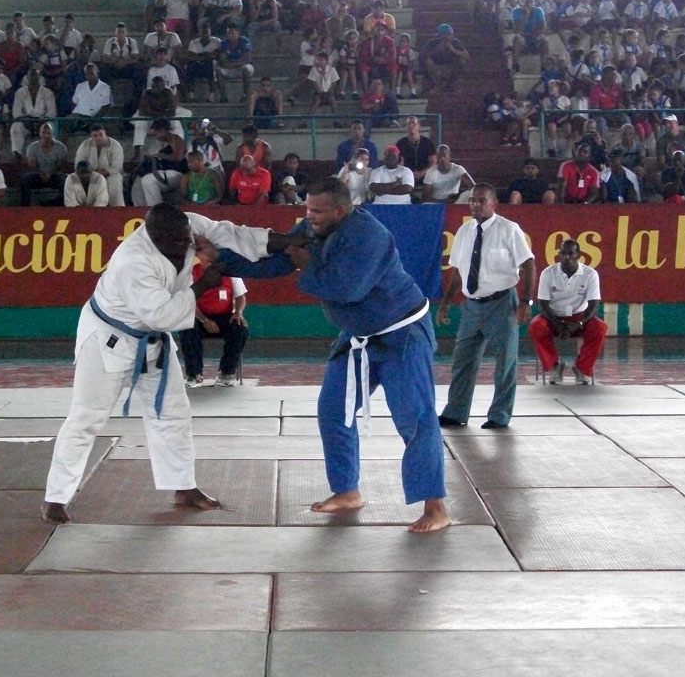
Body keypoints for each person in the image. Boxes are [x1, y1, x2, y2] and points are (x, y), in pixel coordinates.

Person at [41, 204, 305, 524]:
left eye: (186, 237)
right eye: (178, 241)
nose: (186, 244)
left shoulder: (187, 227)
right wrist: (205, 283)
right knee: (87, 417)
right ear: (155, 237)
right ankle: (55, 497)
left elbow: (233, 235)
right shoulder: (133, 261)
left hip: (153, 340)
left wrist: (288, 240)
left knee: (173, 413)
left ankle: (183, 486)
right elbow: (162, 315)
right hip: (108, 338)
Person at [221, 178, 450, 533]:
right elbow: (280, 259)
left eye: (317, 211)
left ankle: (436, 507)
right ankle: (347, 490)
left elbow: (347, 289)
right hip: (358, 335)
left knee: (414, 419)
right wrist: (222, 263)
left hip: (402, 333)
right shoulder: (313, 227)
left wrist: (307, 263)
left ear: (341, 210)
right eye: (307, 209)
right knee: (333, 411)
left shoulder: (369, 236)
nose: (309, 216)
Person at [438, 183, 535, 430]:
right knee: (462, 361)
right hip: (471, 305)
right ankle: (455, 412)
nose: (475, 204)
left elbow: (529, 265)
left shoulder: (508, 229)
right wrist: (446, 302)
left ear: (494, 204)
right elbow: (458, 271)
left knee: (505, 362)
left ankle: (499, 415)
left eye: (481, 200)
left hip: (501, 303)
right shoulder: (464, 231)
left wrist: (525, 301)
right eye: (472, 200)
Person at [529, 238, 607, 385]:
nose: (567, 257)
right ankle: (555, 365)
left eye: (571, 254)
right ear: (559, 254)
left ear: (579, 255)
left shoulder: (590, 274)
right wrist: (557, 324)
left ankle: (582, 368)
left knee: (600, 327)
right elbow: (543, 304)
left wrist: (579, 323)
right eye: (563, 253)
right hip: (553, 318)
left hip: (580, 318)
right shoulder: (548, 273)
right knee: (536, 326)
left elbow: (593, 305)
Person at [180, 240, 249, 388]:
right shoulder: (190, 274)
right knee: (186, 328)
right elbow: (189, 302)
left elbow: (240, 297)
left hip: (224, 317)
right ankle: (194, 374)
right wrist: (204, 320)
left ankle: (226, 372)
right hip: (199, 317)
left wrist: (238, 312)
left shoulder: (231, 273)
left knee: (240, 329)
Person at [74, 124, 125, 207]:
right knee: (73, 180)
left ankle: (117, 208)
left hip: (110, 175)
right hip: (89, 175)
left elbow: (117, 167)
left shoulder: (115, 145)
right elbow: (79, 164)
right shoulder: (84, 145)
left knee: (115, 180)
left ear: (105, 133)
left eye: (101, 134)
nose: (98, 138)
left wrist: (102, 173)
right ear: (91, 136)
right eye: (95, 135)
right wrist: (90, 174)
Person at [21, 122, 68, 207]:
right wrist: (41, 174)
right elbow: (32, 166)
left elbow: (61, 166)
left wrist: (50, 174)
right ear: (39, 133)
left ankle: (59, 205)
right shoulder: (32, 147)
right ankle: (25, 208)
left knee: (65, 180)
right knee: (25, 179)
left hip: (54, 176)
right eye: (43, 132)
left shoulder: (61, 147)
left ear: (53, 134)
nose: (46, 136)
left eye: (48, 133)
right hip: (37, 176)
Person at [421, 24, 470, 93]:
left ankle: (451, 84)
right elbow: (423, 55)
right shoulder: (433, 42)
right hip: (436, 65)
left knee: (462, 60)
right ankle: (435, 85)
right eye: (449, 34)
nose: (452, 36)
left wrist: (453, 49)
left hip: (451, 65)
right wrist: (439, 48)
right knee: (428, 62)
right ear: (442, 35)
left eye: (451, 34)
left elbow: (467, 56)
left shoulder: (455, 42)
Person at [395, 116, 436, 181]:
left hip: (425, 176)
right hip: (407, 176)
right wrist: (408, 174)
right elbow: (400, 163)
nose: (411, 126)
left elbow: (433, 162)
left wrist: (422, 173)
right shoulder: (401, 143)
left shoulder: (428, 143)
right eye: (408, 124)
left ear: (419, 126)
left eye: (413, 123)